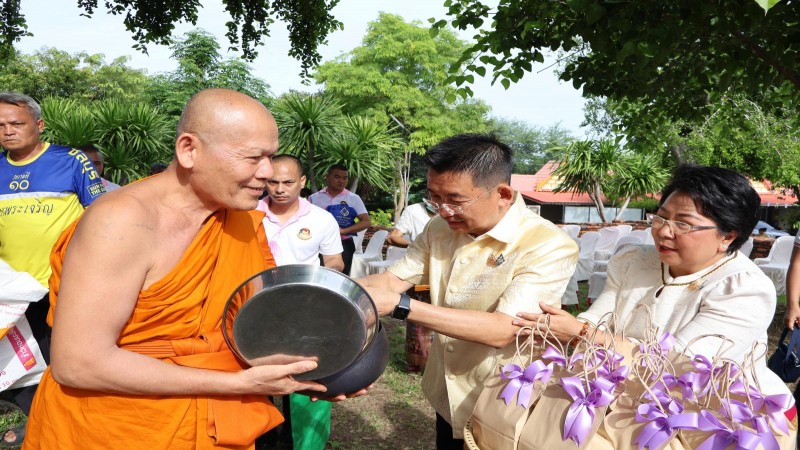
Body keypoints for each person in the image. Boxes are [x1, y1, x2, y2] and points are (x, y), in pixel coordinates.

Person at [22, 89, 362, 450]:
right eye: (253, 157)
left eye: (270, 156)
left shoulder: (241, 220)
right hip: (119, 428)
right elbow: (79, 363)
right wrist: (239, 385)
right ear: (189, 149)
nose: (268, 172)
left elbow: (256, 319)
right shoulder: (122, 221)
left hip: (222, 424)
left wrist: (328, 362)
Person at [515, 164, 795, 419]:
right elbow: (600, 316)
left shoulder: (744, 288)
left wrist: (581, 334)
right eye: (660, 218)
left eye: (683, 223)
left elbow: (680, 367)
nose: (664, 232)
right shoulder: (633, 260)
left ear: (727, 236)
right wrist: (561, 327)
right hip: (630, 396)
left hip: (715, 416)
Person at [358, 133, 579, 449]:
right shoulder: (439, 227)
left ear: (502, 194)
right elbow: (394, 280)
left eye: (455, 200)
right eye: (434, 197)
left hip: (504, 395)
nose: (443, 210)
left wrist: (402, 306)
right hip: (447, 388)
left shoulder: (547, 244)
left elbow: (505, 330)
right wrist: (331, 289)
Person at [0, 92, 106, 413]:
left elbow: (102, 217)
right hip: (13, 293)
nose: (7, 131)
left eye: (16, 123)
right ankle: (35, 425)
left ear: (39, 124)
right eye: (1, 125)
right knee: (25, 371)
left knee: (66, 365)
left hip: (64, 287)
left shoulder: (72, 160)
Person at [251, 154, 343, 450]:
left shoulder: (321, 219)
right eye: (272, 182)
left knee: (306, 376)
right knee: (254, 377)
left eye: (288, 182)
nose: (279, 189)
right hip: (255, 308)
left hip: (305, 311)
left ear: (302, 182)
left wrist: (317, 291)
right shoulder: (247, 213)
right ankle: (259, 438)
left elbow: (334, 263)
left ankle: (305, 443)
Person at [308, 164, 371, 275]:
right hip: (318, 244)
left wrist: (343, 231)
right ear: (327, 177)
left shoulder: (353, 198)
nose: (341, 181)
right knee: (317, 275)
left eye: (345, 178)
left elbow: (366, 222)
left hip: (344, 244)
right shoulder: (314, 198)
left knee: (341, 279)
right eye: (337, 177)